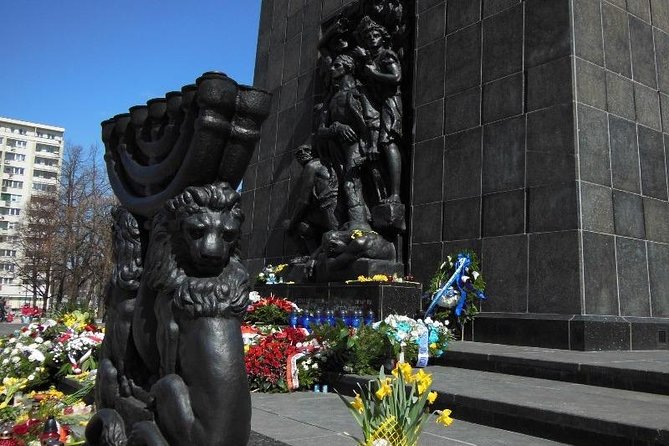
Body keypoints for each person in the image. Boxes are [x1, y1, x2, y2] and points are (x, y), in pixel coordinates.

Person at [353, 16, 403, 204]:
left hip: (391, 101)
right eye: (368, 37)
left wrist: (373, 72)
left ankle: (396, 194)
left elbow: (396, 77)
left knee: (387, 142)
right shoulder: (370, 59)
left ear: (383, 37)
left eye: (376, 35)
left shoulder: (386, 55)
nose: (372, 38)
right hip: (378, 103)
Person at [285, 145, 339, 254]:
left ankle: (309, 256)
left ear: (313, 152)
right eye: (298, 153)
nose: (302, 153)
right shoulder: (323, 164)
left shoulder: (312, 166)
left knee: (294, 224)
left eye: (306, 150)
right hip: (331, 208)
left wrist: (291, 224)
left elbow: (304, 201)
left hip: (330, 210)